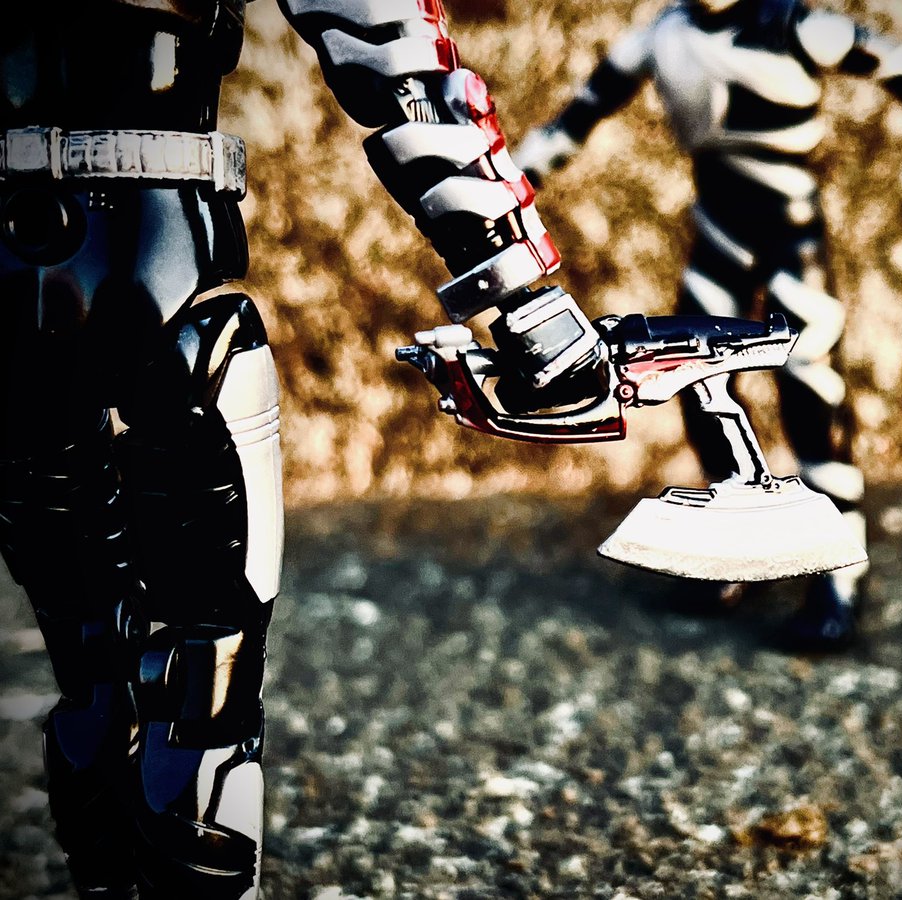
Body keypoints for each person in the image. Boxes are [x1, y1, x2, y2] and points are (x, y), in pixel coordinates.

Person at [0, 1, 607, 895]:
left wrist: (520, 289)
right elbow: (388, 42)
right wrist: (522, 289)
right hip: (146, 278)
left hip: (128, 275)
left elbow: (388, 44)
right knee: (150, 691)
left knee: (129, 683)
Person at [514, 0, 902, 650]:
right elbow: (579, 114)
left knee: (812, 391)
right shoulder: (663, 37)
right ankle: (738, 544)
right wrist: (508, 186)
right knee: (692, 379)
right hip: (719, 232)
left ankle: (838, 571)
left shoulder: (798, 28)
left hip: (791, 236)